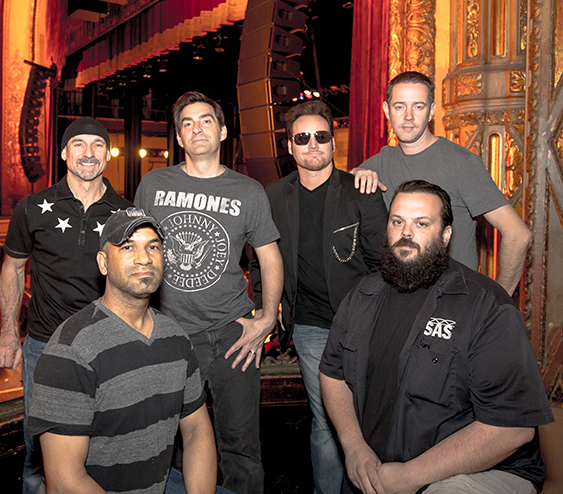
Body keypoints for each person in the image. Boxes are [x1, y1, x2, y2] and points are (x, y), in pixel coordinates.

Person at [320, 180, 553, 494]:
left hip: (475, 474)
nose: (406, 233)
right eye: (397, 221)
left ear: (446, 236)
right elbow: (332, 373)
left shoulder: (486, 307)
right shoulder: (363, 294)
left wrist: (411, 476)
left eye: (421, 223)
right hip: (378, 472)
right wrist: (353, 446)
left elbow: (513, 430)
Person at [134, 91, 284, 494]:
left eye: (205, 120)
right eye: (187, 123)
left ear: (222, 131)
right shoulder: (154, 184)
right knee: (174, 444)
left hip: (233, 333)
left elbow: (269, 257)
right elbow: (135, 254)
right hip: (171, 334)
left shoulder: (249, 191)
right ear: (179, 138)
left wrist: (267, 317)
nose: (196, 128)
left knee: (240, 443)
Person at [0, 116, 131, 494]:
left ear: (108, 155)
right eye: (78, 144)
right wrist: (8, 335)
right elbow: (13, 269)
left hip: (105, 347)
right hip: (44, 346)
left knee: (102, 444)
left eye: (97, 145)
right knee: (39, 452)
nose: (88, 153)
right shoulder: (33, 207)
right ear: (64, 153)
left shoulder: (125, 215)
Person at [27, 207, 219, 494]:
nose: (144, 258)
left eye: (153, 246)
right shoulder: (70, 350)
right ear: (103, 263)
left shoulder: (176, 338)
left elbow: (197, 433)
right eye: (128, 247)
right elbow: (64, 482)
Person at [252, 100, 387, 494]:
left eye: (321, 136)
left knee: (370, 416)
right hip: (310, 326)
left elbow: (382, 262)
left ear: (332, 144)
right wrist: (266, 306)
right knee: (327, 418)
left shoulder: (360, 190)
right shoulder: (273, 196)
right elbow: (261, 258)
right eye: (302, 138)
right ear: (290, 147)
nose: (313, 144)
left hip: (365, 325)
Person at [353, 71, 531, 295]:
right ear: (387, 111)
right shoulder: (377, 164)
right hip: (399, 302)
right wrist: (355, 174)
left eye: (418, 106)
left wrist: (497, 303)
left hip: (452, 303)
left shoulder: (461, 163)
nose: (408, 116)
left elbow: (518, 234)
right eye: (399, 107)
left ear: (432, 111)